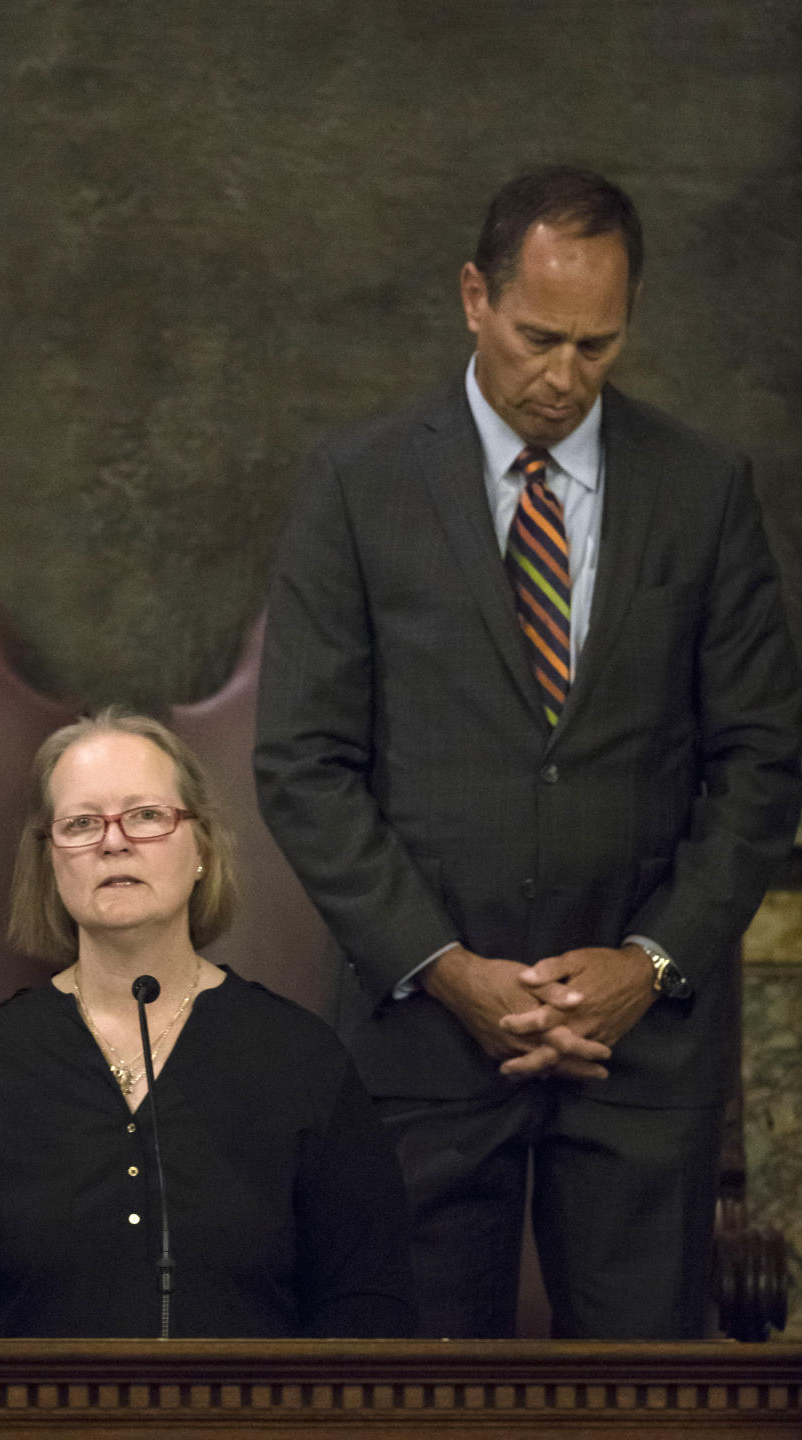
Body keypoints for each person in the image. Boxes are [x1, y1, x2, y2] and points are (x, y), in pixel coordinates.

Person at [254, 166, 802, 1340]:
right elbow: (303, 764)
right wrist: (448, 969)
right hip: (423, 1050)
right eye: (539, 336)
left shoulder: (703, 491)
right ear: (473, 297)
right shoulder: (358, 485)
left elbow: (762, 764)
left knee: (643, 1413)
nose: (563, 378)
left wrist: (647, 966)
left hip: (640, 1061)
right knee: (414, 1410)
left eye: (597, 347)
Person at [0, 708, 414, 1339]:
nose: (113, 841)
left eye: (148, 816)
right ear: (51, 861)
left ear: (203, 849)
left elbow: (367, 1305)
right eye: (80, 824)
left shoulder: (300, 1058)